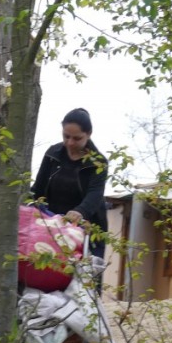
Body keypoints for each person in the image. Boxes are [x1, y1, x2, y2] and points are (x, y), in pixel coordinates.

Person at [31, 107, 110, 260]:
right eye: (66, 136)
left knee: (82, 279)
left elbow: (95, 194)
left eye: (77, 138)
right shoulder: (52, 154)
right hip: (51, 227)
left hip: (85, 230)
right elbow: (38, 188)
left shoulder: (98, 162)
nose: (70, 142)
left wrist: (80, 212)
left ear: (88, 134)